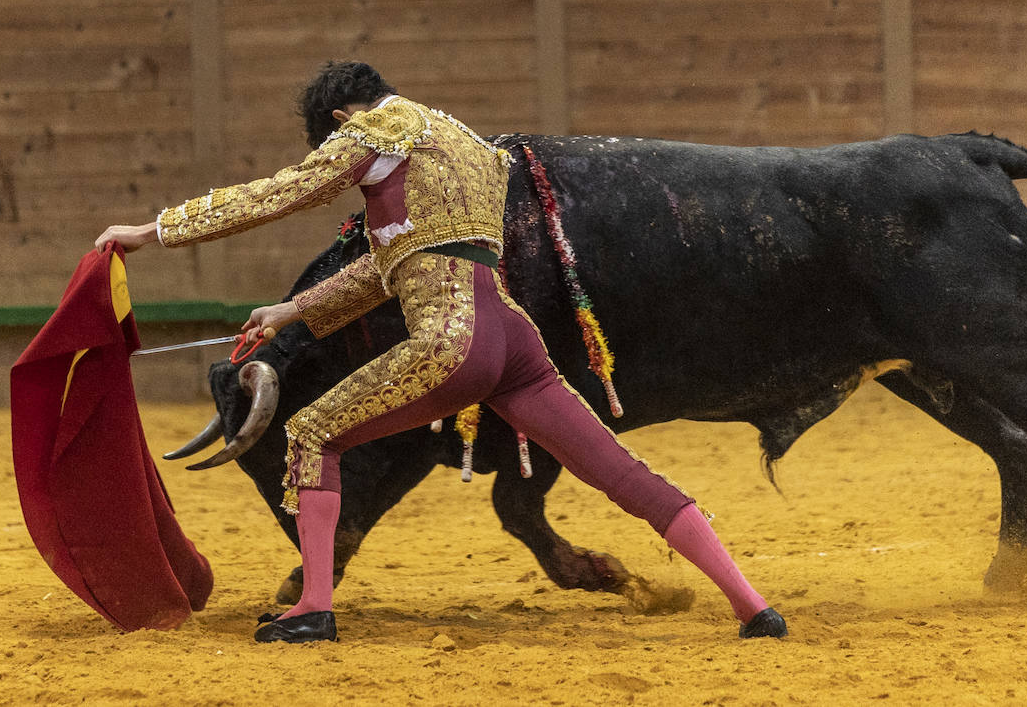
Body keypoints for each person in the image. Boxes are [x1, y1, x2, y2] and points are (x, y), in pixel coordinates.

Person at [95, 60, 787, 644]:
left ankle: (312, 609)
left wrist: (151, 232)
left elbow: (277, 194)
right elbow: (393, 262)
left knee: (310, 433)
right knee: (621, 472)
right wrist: (292, 310)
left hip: (449, 339)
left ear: (340, 116)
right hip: (513, 339)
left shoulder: (372, 129)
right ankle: (753, 607)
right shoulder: (464, 142)